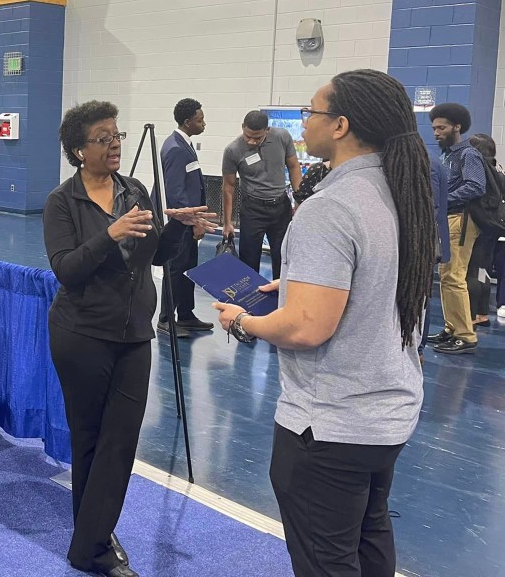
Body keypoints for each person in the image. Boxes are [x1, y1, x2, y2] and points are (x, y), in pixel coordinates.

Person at [213, 70, 435, 577]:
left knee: (326, 561)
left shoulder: (330, 207)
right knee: (368, 537)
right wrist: (291, 287)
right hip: (389, 414)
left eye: (310, 111)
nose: (303, 122)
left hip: (329, 425)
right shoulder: (400, 192)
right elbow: (373, 287)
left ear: (340, 125)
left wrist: (245, 320)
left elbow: (306, 328)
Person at [44, 100, 215, 577]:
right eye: (103, 138)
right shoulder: (63, 202)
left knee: (120, 441)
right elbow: (66, 269)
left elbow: (154, 256)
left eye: (116, 136)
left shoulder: (135, 190)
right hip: (80, 334)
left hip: (135, 334)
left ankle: (91, 538)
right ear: (80, 150)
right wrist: (109, 233)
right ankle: (94, 540)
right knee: (89, 438)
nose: (115, 144)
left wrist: (185, 232)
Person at [428, 102, 485, 354]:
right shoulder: (447, 155)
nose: (436, 132)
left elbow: (476, 185)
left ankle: (465, 334)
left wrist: (443, 200)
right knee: (446, 276)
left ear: (457, 127)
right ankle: (452, 327)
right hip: (449, 219)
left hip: (461, 219)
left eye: (442, 127)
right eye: (434, 128)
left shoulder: (468, 154)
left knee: (454, 276)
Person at [222, 110, 301, 278]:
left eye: (257, 138)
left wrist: (298, 200)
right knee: (248, 263)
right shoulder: (233, 150)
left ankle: (281, 300)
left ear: (267, 130)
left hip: (280, 208)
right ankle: (248, 302)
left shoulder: (282, 137)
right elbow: (228, 187)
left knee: (283, 259)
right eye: (247, 136)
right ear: (243, 128)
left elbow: (294, 166)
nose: (251, 141)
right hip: (252, 210)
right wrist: (227, 223)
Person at [158, 98, 210, 335]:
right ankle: (166, 318)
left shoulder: (184, 144)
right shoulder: (176, 149)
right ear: (188, 122)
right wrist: (193, 223)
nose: (204, 123)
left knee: (189, 268)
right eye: (200, 120)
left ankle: (186, 315)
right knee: (176, 270)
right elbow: (176, 193)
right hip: (181, 225)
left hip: (189, 222)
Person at [418, 155, 451, 364]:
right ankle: (418, 347)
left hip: (421, 240)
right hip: (424, 239)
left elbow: (429, 206)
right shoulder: (433, 161)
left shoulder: (424, 162)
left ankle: (418, 347)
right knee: (422, 295)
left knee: (420, 295)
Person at [465, 134, 498, 326]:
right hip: (492, 228)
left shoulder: (478, 172)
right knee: (483, 270)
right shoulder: (496, 169)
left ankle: (468, 316)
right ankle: (482, 313)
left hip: (477, 225)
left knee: (471, 271)